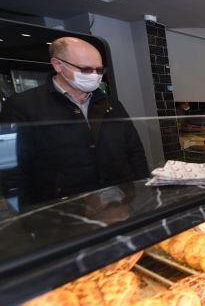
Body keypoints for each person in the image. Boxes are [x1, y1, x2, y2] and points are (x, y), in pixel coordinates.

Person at [11, 37, 148, 209]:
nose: (94, 75)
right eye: (86, 69)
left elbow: (134, 150)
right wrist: (26, 215)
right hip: (64, 207)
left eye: (99, 70)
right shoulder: (24, 106)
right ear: (58, 65)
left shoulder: (111, 104)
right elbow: (17, 170)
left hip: (117, 200)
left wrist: (143, 190)